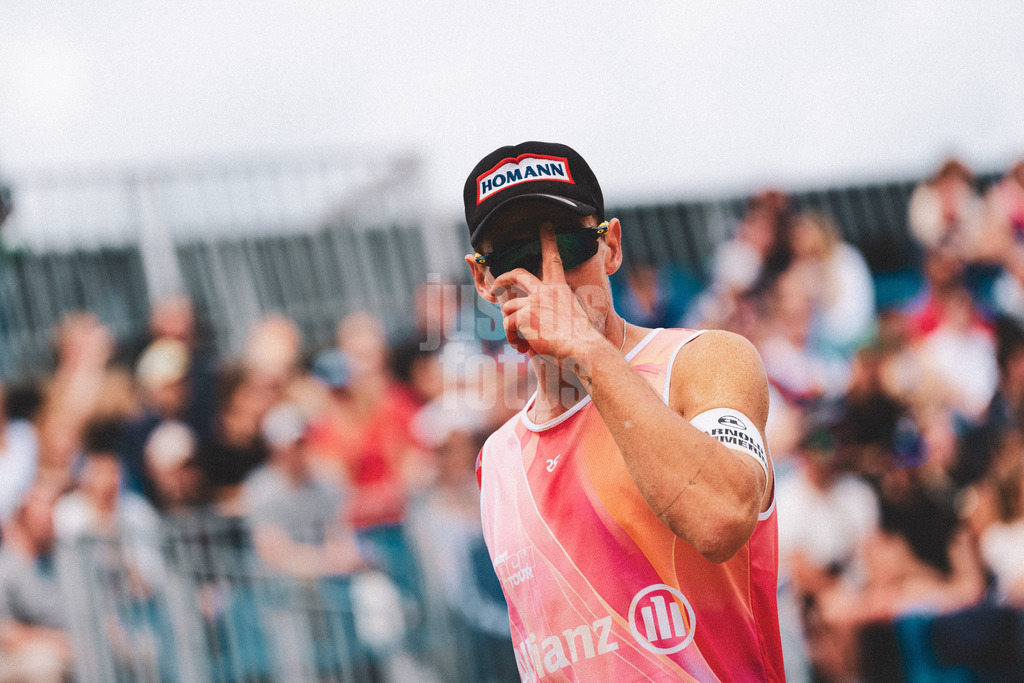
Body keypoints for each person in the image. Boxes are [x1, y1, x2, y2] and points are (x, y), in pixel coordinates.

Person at [462, 141, 784, 681]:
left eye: (569, 244)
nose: (553, 278)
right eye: (517, 258)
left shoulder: (702, 362)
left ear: (610, 247)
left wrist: (587, 350)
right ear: (483, 280)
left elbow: (723, 518)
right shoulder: (496, 460)